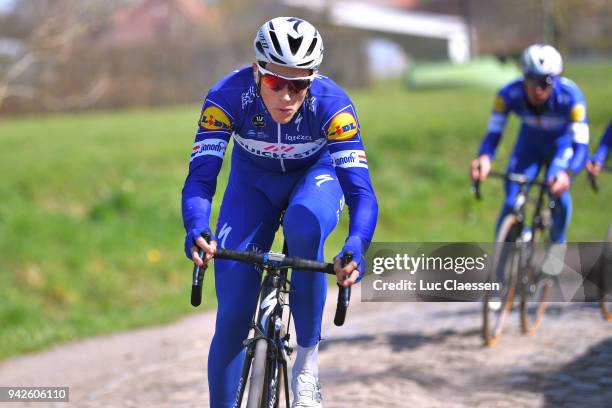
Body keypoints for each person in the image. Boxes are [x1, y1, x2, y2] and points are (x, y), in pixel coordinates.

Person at [181, 17, 378, 408]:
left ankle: (306, 365)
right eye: (275, 82)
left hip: (315, 179)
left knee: (304, 223)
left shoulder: (333, 106)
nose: (288, 95)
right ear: (257, 70)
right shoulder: (227, 97)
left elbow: (361, 192)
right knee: (234, 315)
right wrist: (197, 227)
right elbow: (201, 179)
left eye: (299, 84)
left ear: (312, 79)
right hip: (251, 186)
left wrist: (356, 244)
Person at [470, 44, 589, 244]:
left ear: (555, 79)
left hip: (561, 146)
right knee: (510, 202)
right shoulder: (508, 94)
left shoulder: (572, 98)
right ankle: (500, 268)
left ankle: (557, 244)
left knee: (557, 190)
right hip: (529, 147)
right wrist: (484, 157)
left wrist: (567, 174)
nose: (537, 89)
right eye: (531, 80)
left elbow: (581, 146)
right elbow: (494, 133)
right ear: (523, 76)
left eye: (545, 81)